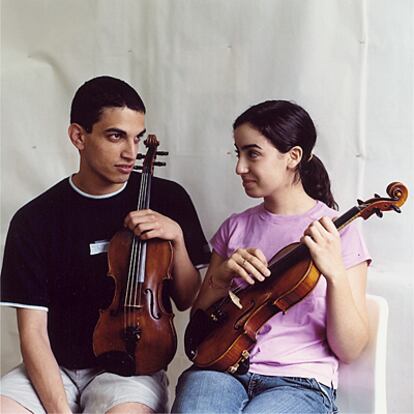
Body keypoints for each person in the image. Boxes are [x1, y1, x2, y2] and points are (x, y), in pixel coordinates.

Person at [0, 76, 210, 414]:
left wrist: (177, 238)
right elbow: (33, 334)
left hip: (129, 370)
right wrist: (58, 410)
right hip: (56, 367)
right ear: (78, 137)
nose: (131, 153)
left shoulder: (169, 198)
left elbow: (187, 299)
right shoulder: (34, 219)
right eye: (116, 136)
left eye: (137, 138)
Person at [172, 100, 370, 414]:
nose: (240, 167)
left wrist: (335, 274)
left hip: (300, 383)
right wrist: (221, 278)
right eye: (238, 153)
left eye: (253, 153)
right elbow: (199, 331)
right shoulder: (235, 226)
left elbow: (350, 349)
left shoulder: (338, 233)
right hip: (221, 371)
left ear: (293, 157)